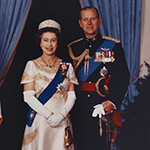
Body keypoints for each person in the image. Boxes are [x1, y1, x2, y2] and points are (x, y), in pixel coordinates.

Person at [67, 6, 130, 150]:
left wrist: (112, 101)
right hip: (77, 107)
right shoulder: (72, 48)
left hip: (102, 105)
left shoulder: (113, 46)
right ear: (80, 23)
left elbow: (122, 76)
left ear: (99, 21)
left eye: (93, 19)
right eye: (85, 19)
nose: (89, 23)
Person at [20, 19, 78, 150]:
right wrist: (50, 116)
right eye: (45, 40)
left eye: (53, 40)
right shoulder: (32, 65)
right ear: (39, 42)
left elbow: (72, 95)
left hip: (62, 120)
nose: (49, 44)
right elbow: (28, 96)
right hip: (40, 120)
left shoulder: (66, 67)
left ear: (58, 42)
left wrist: (60, 116)